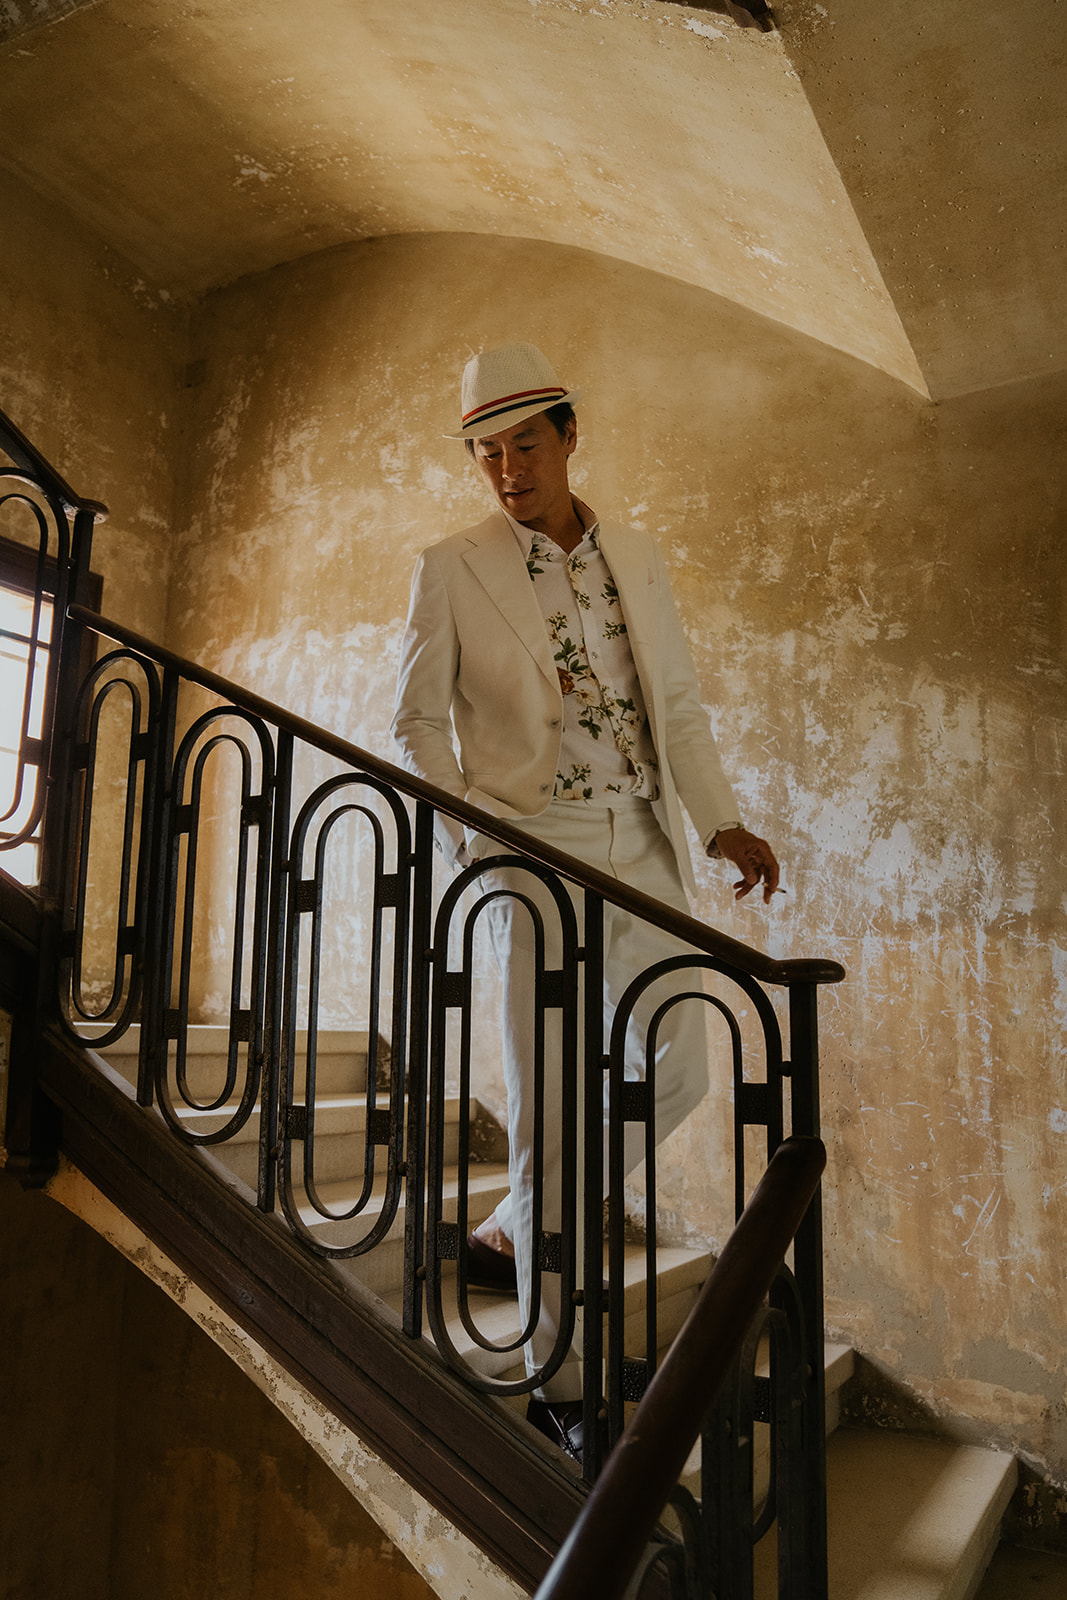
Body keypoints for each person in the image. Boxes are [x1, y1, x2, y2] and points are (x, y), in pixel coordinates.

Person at [392, 343, 779, 1462]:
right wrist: (483, 836)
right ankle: (559, 1377)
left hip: (643, 841)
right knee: (548, 1103)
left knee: (685, 1067)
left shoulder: (639, 559)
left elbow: (681, 706)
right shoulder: (449, 564)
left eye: (522, 443)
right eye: (485, 452)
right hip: (530, 849)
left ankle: (515, 1223)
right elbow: (412, 725)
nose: (505, 469)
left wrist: (716, 819)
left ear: (568, 435)